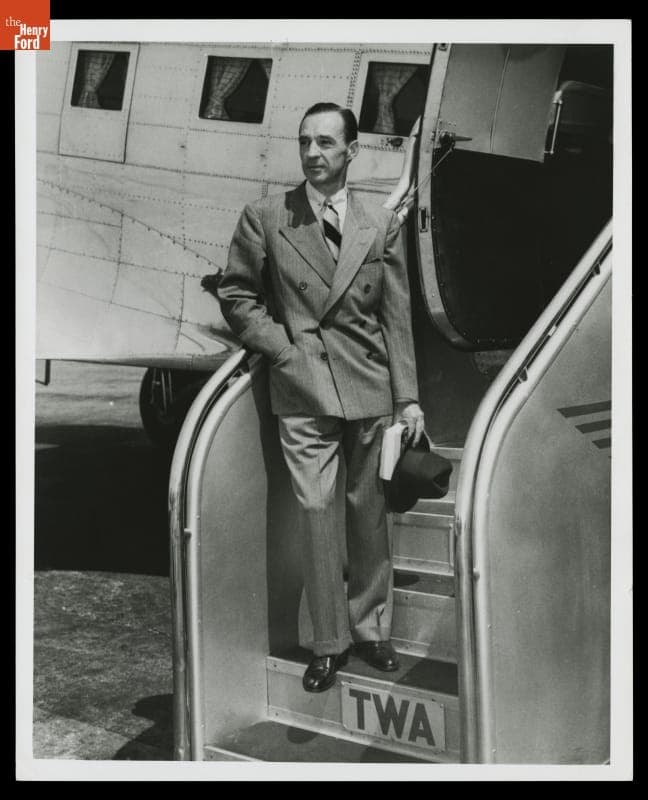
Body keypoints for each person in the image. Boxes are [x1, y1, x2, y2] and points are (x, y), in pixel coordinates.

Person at [217, 102, 424, 693]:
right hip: (303, 386)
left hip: (369, 386)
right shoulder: (266, 216)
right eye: (305, 141)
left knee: (367, 514)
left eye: (327, 143)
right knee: (315, 512)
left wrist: (407, 397)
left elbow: (396, 317)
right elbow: (236, 295)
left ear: (351, 151)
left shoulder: (378, 224)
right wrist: (281, 351)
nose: (313, 153)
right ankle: (327, 643)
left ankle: (371, 630)